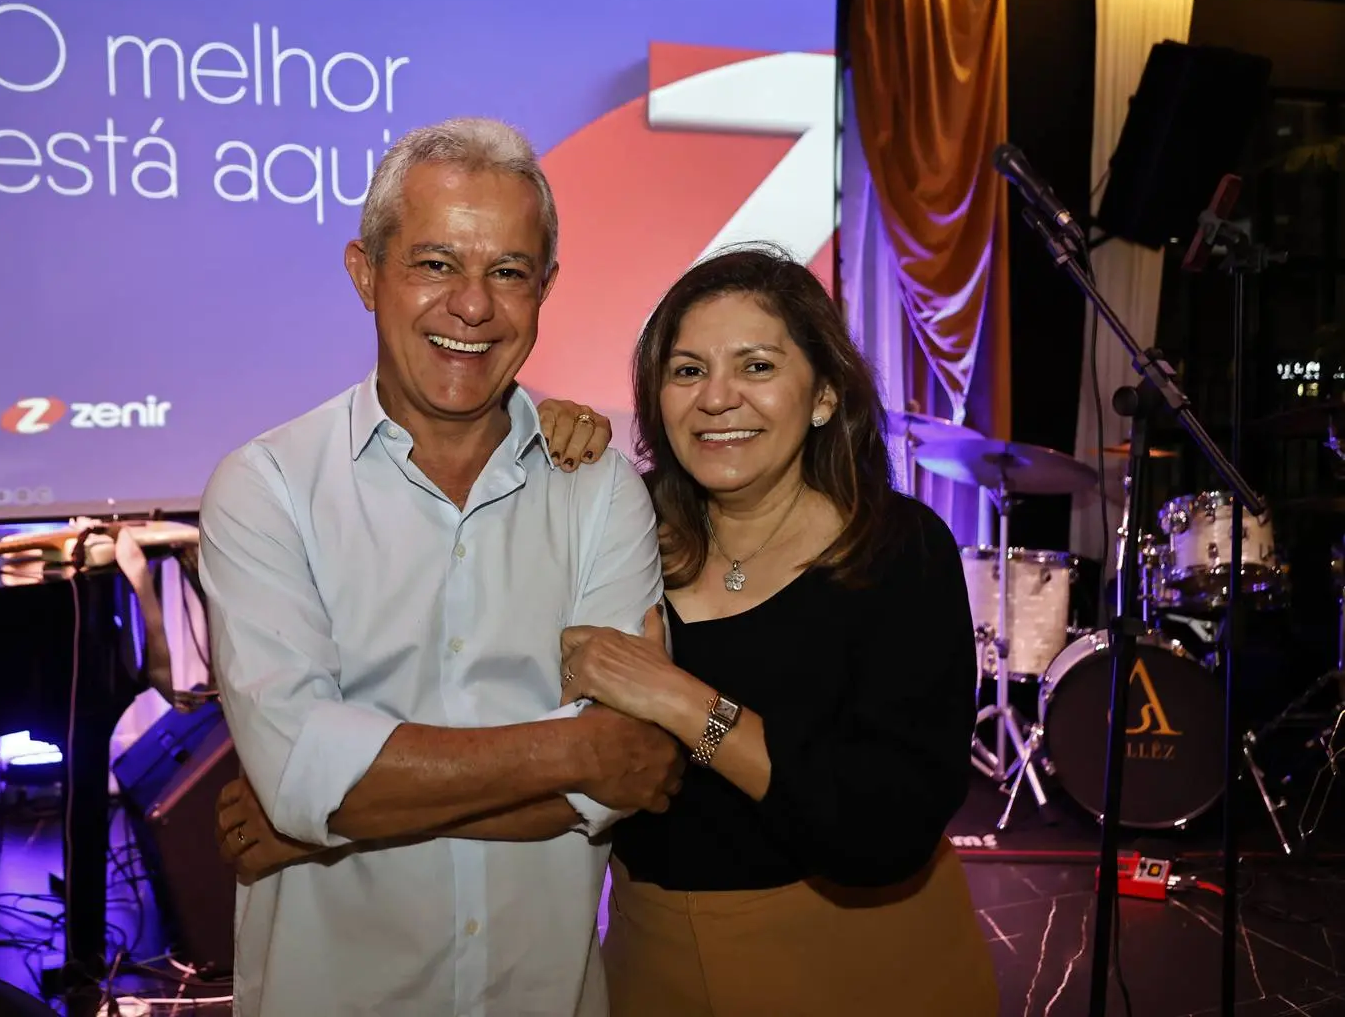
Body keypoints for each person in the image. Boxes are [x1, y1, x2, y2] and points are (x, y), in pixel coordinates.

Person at [219, 244, 1000, 1015]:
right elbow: (592, 782)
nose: (717, 398)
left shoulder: (898, 551)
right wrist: (340, 816)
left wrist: (683, 702)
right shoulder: (626, 519)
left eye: (757, 366)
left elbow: (883, 824)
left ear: (824, 393)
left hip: (863, 959)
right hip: (656, 961)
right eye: (687, 371)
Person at [197, 115, 683, 1017]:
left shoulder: (599, 490)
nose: (473, 305)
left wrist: (329, 820)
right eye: (435, 263)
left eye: (509, 272)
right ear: (364, 273)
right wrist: (576, 748)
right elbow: (305, 772)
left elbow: (633, 777)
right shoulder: (269, 488)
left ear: (545, 289)